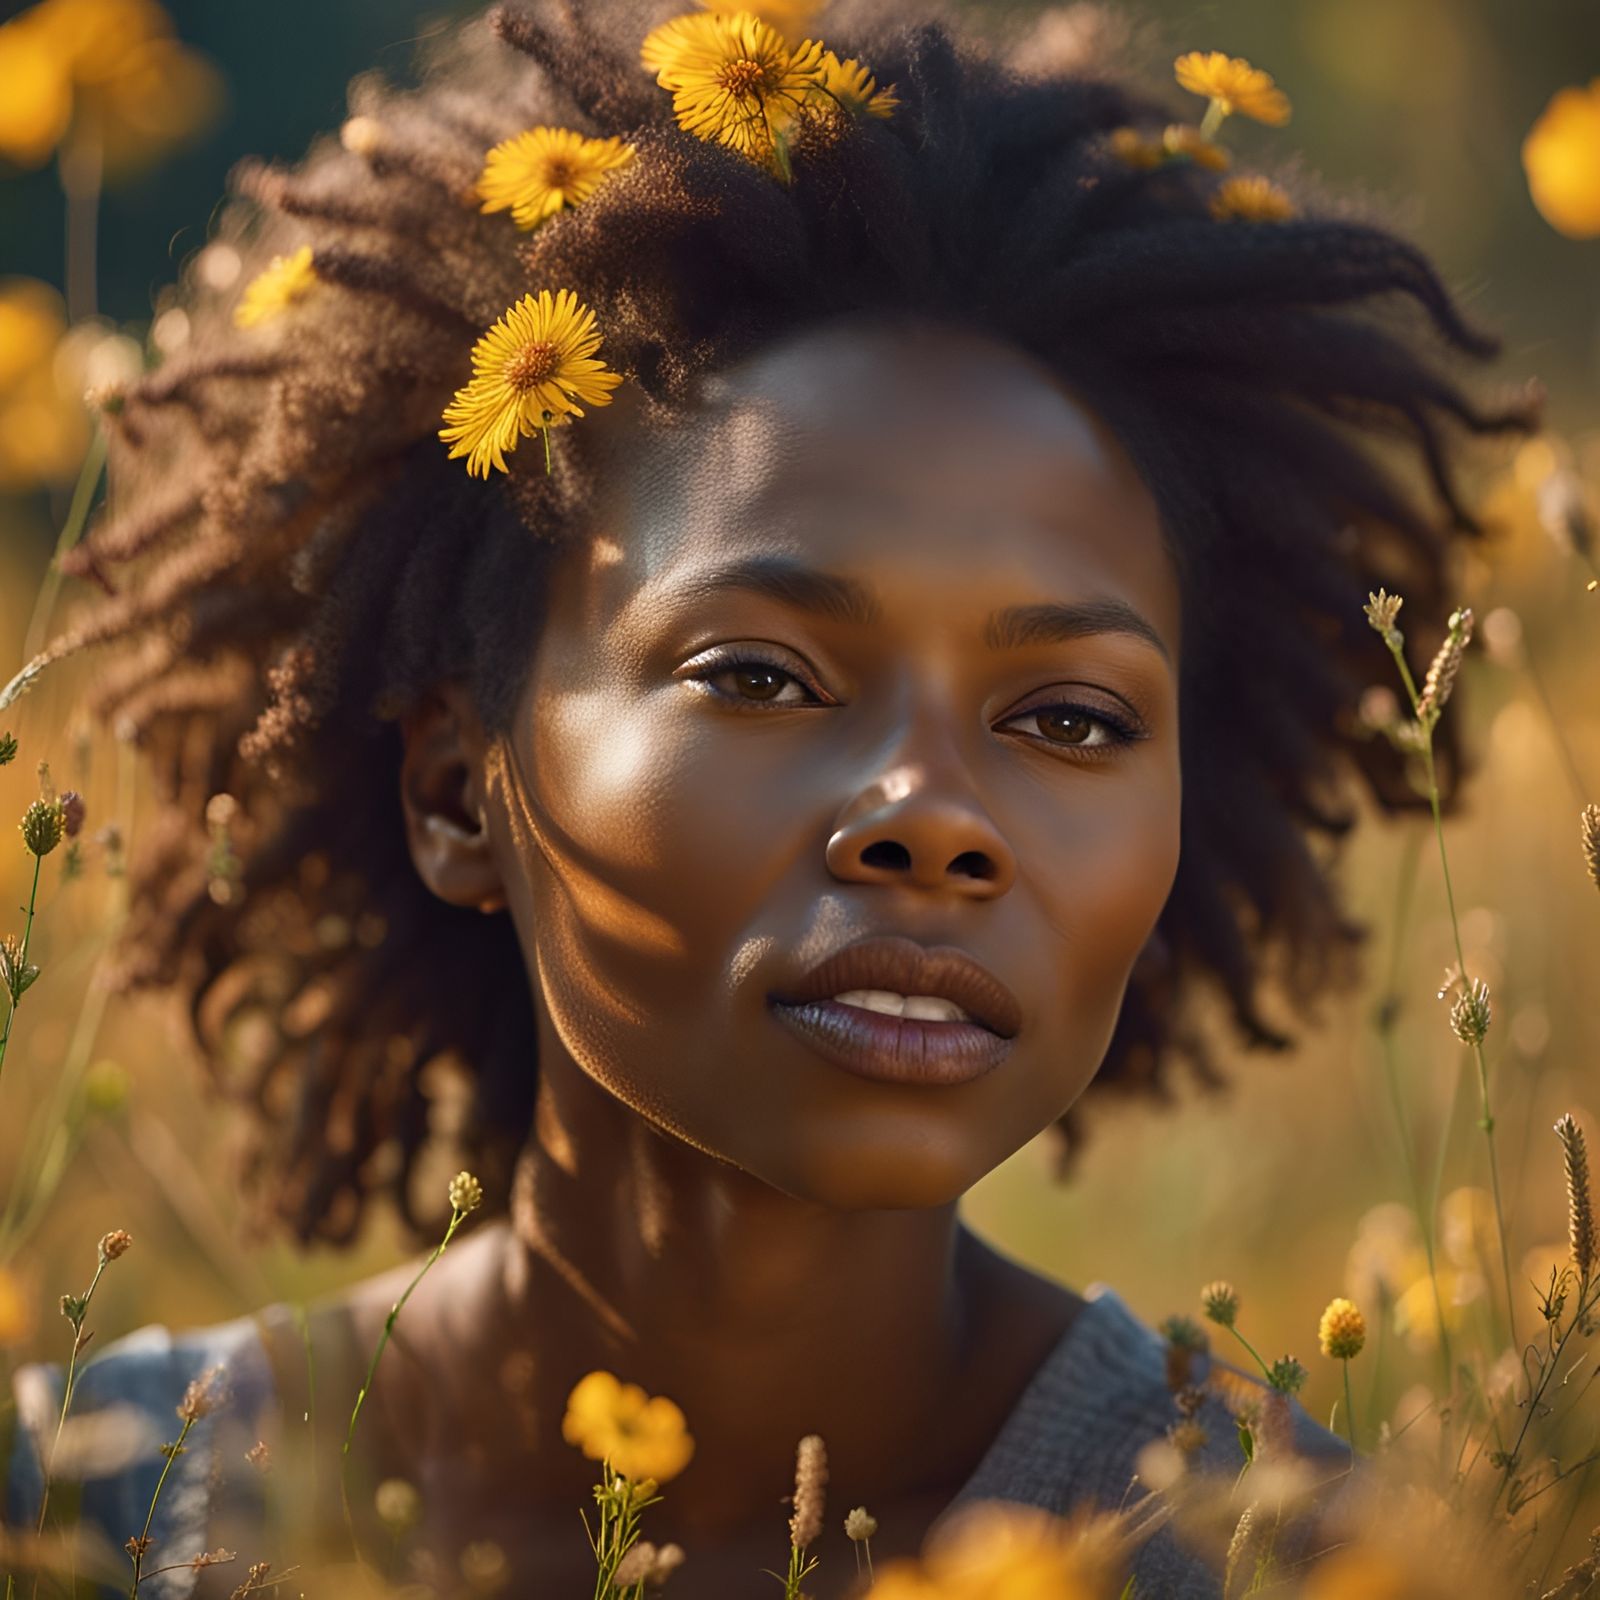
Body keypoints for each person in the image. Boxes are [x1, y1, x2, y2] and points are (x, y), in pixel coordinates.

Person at [1, 0, 1537, 1594]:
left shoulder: (1296, 1560)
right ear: (461, 794)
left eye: (1071, 718)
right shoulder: (84, 1514)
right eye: (759, 676)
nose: (936, 815)